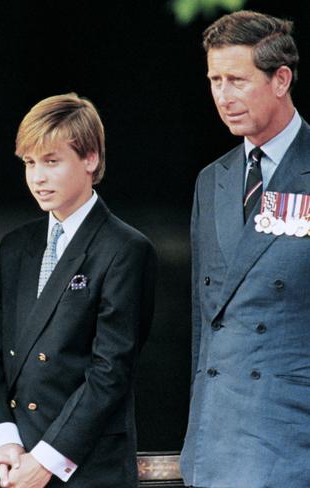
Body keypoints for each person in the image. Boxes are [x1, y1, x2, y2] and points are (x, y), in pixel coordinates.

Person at [0, 93, 157, 487]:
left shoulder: (126, 249)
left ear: (90, 159)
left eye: (51, 161)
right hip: (15, 461)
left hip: (87, 465)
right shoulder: (15, 247)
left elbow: (110, 371)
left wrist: (45, 460)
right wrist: (4, 440)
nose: (37, 177)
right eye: (29, 163)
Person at [180, 10, 310, 488]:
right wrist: (196, 436)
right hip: (216, 439)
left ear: (281, 79)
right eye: (215, 80)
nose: (223, 96)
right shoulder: (213, 179)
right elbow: (204, 320)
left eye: (237, 79)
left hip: (292, 437)